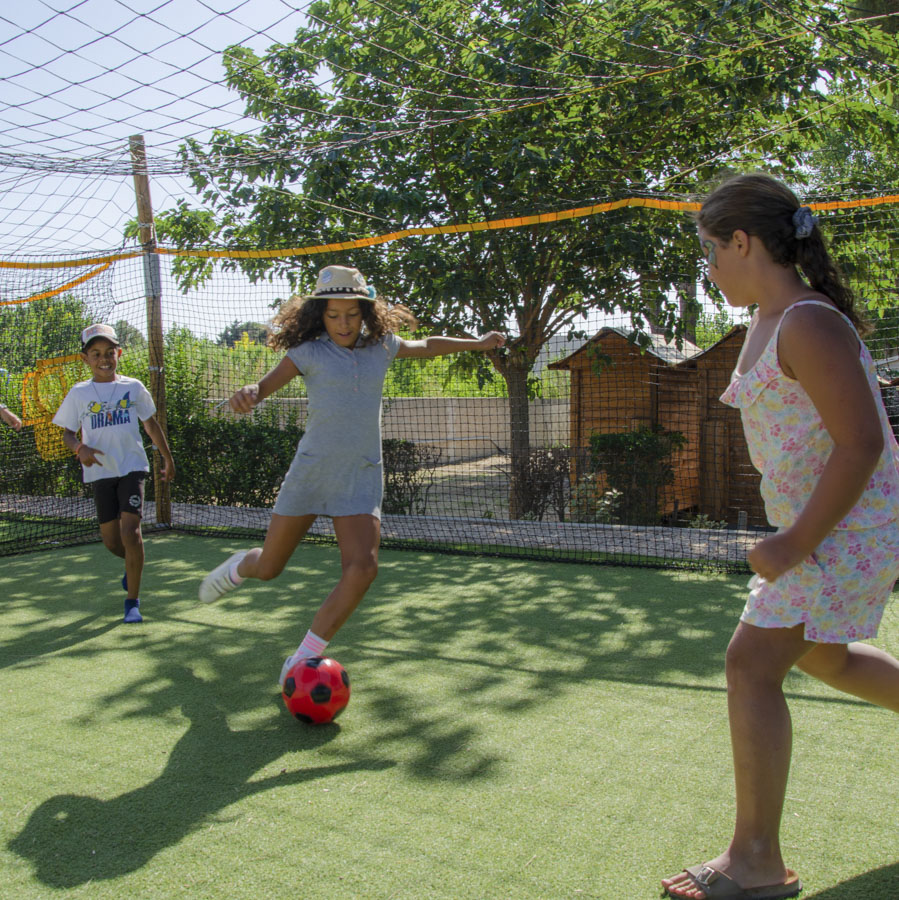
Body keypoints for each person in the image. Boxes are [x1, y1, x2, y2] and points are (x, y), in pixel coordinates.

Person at [661, 174, 899, 900]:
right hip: (823, 529)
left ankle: (756, 863)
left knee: (750, 665)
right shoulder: (768, 318)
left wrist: (793, 542)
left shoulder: (806, 321)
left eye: (709, 251)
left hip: (844, 529)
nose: (707, 269)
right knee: (826, 659)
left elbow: (859, 444)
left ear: (742, 242)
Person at [199, 264, 505, 685]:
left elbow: (428, 345)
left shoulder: (383, 347)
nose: (343, 323)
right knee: (269, 568)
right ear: (318, 315)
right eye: (333, 314)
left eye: (352, 313)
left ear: (366, 312)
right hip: (312, 472)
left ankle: (302, 658)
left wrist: (478, 343)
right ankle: (238, 568)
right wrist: (250, 393)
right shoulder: (306, 353)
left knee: (363, 568)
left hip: (361, 475)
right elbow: (263, 387)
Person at [53, 324, 175, 623]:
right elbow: (68, 434)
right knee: (111, 541)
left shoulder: (132, 387)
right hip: (99, 473)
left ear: (119, 353)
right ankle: (132, 566)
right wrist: (79, 448)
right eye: (95, 354)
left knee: (131, 533)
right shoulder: (79, 392)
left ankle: (132, 601)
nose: (103, 359)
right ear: (85, 359)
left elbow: (151, 425)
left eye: (109, 352)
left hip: (132, 467)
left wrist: (167, 458)